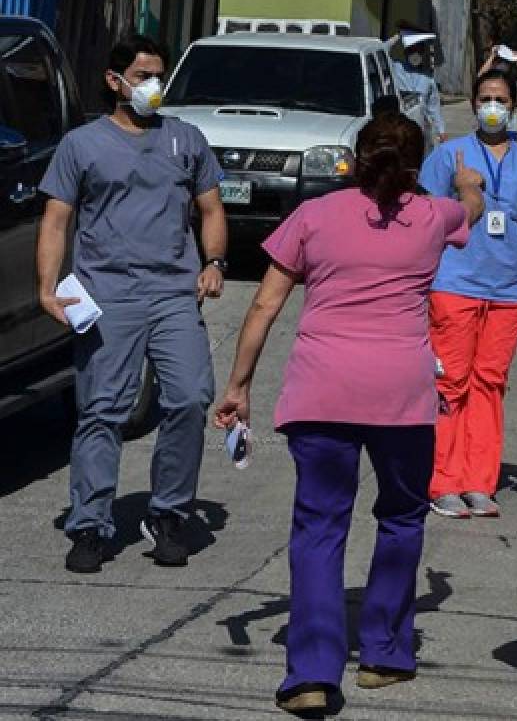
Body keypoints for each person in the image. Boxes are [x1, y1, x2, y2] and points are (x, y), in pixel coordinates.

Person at [212, 114, 483, 714]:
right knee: (402, 518)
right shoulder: (435, 216)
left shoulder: (313, 215)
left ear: (357, 160)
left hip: (321, 392)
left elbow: (263, 305)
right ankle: (385, 654)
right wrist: (466, 182)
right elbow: (471, 208)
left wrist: (238, 385)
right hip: (401, 396)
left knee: (318, 527)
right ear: (417, 165)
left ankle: (311, 673)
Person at [36, 35, 227, 574]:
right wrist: (48, 289)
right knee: (103, 411)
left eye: (159, 75)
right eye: (143, 75)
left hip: (173, 293)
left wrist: (214, 262)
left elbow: (210, 207)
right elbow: (56, 219)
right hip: (106, 294)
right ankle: (91, 526)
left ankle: (168, 515)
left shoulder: (185, 140)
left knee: (190, 398)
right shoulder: (82, 144)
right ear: (114, 80)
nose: (153, 86)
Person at [420, 69, 517, 519]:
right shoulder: (449, 156)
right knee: (450, 382)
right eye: (485, 98)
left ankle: (480, 483)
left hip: (510, 292)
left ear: (514, 105)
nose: (492, 107)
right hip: (455, 285)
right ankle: (443, 481)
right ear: (473, 104)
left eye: (500, 99)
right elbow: (427, 220)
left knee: (490, 384)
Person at [387, 28, 448, 145]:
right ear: (406, 52)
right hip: (399, 128)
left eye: (419, 51)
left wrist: (441, 130)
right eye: (411, 50)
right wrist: (397, 37)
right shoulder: (396, 68)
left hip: (421, 130)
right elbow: (383, 49)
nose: (415, 54)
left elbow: (434, 107)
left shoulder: (428, 78)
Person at [478, 44, 517, 140]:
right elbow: (480, 76)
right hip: (490, 125)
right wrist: (492, 57)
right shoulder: (489, 84)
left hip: (510, 127)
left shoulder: (512, 84)